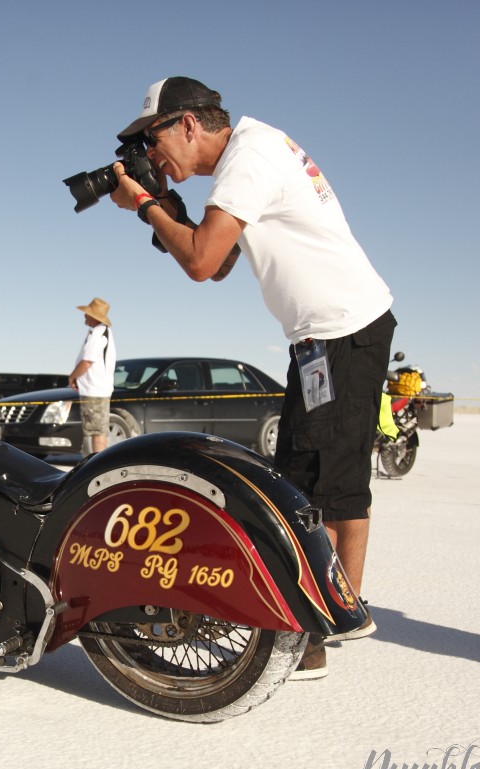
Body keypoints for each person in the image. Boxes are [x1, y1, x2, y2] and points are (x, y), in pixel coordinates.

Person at [107, 76, 396, 679]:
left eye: (151, 139)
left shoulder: (250, 154)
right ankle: (313, 621)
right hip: (320, 338)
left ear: (188, 123)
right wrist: (166, 209)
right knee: (298, 478)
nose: (151, 155)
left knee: (331, 480)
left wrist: (145, 204)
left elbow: (201, 262)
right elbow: (221, 264)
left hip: (344, 329)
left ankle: (329, 621)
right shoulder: (251, 156)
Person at [67, 298, 116, 456]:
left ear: (94, 316)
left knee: (96, 431)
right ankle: (96, 460)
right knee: (97, 429)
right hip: (98, 388)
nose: (85, 317)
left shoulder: (97, 334)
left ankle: (96, 462)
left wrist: (72, 376)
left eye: (87, 314)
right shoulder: (104, 333)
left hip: (94, 390)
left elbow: (87, 361)